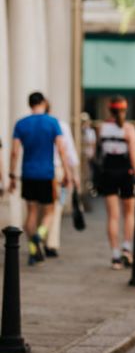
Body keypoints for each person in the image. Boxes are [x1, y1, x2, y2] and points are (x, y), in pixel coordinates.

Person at [8, 92, 72, 265]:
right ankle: (40, 235)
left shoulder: (21, 124)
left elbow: (14, 152)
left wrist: (12, 175)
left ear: (29, 104)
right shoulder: (52, 122)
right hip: (46, 173)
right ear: (43, 103)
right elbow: (61, 149)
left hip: (28, 173)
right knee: (49, 211)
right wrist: (67, 172)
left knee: (31, 213)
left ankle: (33, 249)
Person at [98, 96, 135, 270]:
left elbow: (99, 153)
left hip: (108, 172)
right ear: (125, 110)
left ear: (110, 110)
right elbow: (134, 156)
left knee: (113, 216)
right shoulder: (128, 129)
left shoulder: (102, 128)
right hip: (126, 172)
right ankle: (127, 248)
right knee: (129, 213)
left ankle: (115, 255)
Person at [46, 103, 80, 257]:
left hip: (37, 172)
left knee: (41, 207)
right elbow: (67, 151)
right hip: (57, 169)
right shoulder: (60, 125)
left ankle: (39, 236)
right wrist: (71, 174)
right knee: (55, 208)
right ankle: (50, 242)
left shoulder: (29, 123)